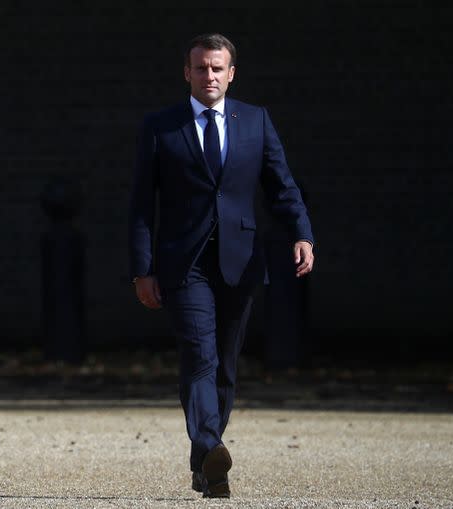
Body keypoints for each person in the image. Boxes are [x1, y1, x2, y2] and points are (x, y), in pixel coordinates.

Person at [128, 33, 314, 498]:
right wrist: (142, 268)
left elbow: (281, 185)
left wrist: (301, 233)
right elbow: (139, 205)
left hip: (240, 260)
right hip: (182, 264)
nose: (208, 76)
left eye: (217, 68)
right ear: (186, 72)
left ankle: (205, 467)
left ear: (231, 73)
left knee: (226, 366)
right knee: (199, 355)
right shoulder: (161, 126)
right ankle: (211, 444)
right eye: (200, 68)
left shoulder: (255, 121)